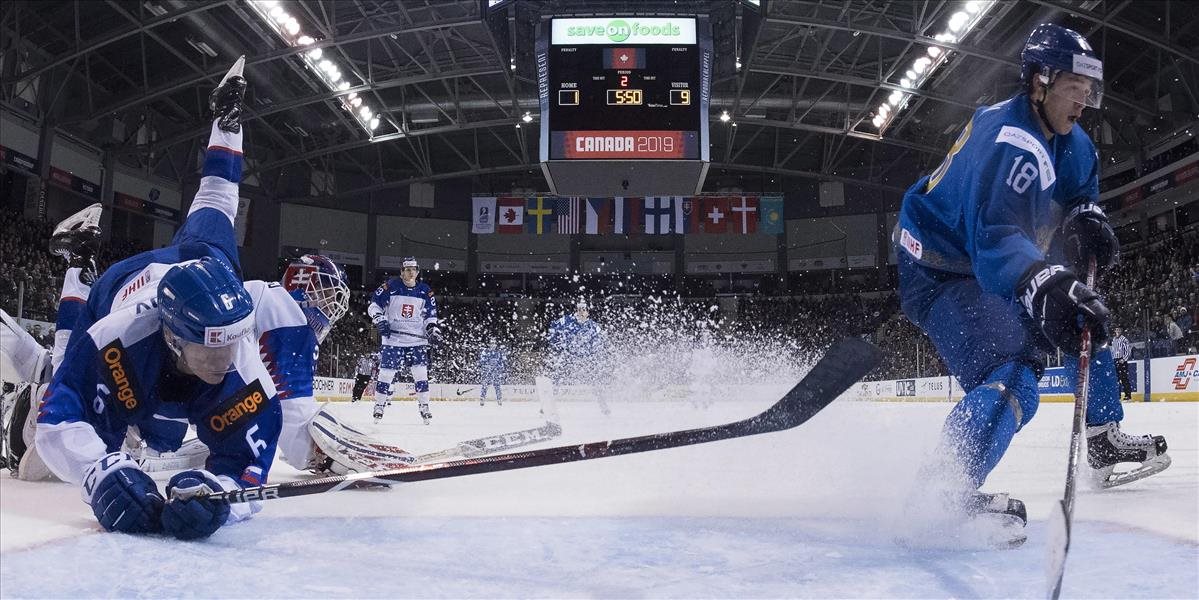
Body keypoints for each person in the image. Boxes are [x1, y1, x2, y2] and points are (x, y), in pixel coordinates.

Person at [894, 23, 1169, 541]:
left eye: (1090, 90)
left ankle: (1103, 437)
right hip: (941, 269)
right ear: (1039, 82)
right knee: (1013, 373)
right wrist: (1043, 281)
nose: (1084, 101)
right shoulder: (1010, 144)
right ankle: (942, 491)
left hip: (982, 257)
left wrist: (1087, 215)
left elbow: (1079, 186)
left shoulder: (1071, 140)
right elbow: (994, 236)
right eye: (1074, 88)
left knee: (1084, 311)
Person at [368, 257, 442, 424]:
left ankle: (424, 406)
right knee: (386, 373)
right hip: (393, 339)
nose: (410, 272)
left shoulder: (425, 290)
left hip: (416, 341)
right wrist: (380, 319)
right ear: (401, 272)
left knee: (421, 374)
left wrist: (432, 330)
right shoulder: (390, 286)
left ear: (417, 272)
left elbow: (431, 316)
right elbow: (373, 305)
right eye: (407, 269)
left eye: (413, 269)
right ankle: (379, 405)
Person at [546, 300, 608, 414]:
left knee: (596, 381)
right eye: (579, 309)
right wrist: (557, 344)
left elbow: (601, 342)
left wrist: (594, 353)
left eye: (583, 309)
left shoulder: (594, 326)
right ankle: (547, 406)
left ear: (588, 312)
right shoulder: (567, 320)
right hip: (569, 356)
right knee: (557, 378)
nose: (581, 312)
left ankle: (603, 406)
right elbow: (553, 329)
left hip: (587, 358)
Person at [478, 338, 507, 406]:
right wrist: (487, 367)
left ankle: (499, 399)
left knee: (497, 386)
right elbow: (482, 361)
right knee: (485, 385)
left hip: (496, 372)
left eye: (494, 343)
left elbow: (502, 362)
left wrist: (500, 368)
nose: (493, 345)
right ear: (489, 344)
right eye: (491, 343)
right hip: (487, 372)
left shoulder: (499, 352)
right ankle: (482, 399)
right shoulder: (485, 351)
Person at [1111, 326, 1133, 401]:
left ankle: (1128, 396)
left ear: (1121, 331)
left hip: (1122, 361)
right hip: (1115, 360)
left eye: (1119, 330)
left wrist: (1124, 359)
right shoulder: (1114, 339)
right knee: (1116, 380)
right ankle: (1117, 396)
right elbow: (1113, 350)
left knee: (1124, 379)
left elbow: (1128, 350)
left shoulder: (1124, 339)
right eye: (1116, 329)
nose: (1117, 331)